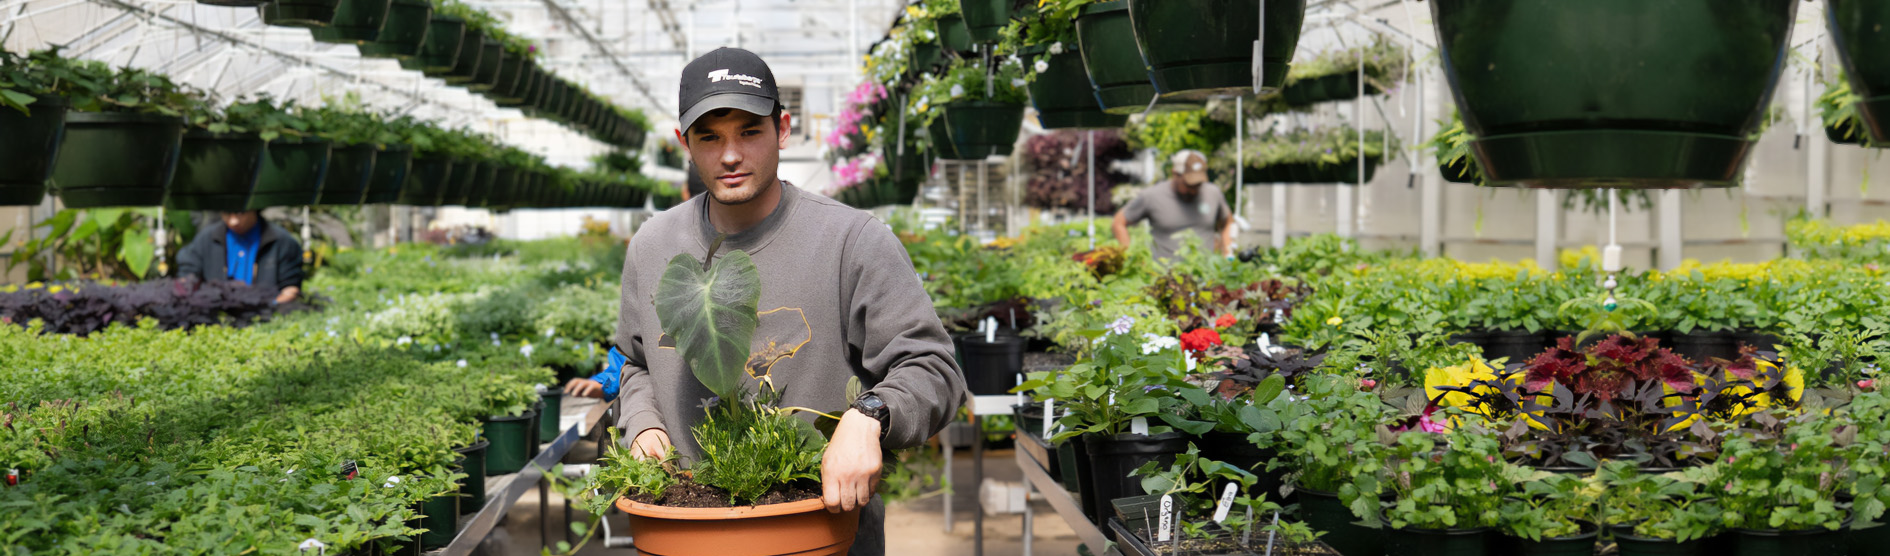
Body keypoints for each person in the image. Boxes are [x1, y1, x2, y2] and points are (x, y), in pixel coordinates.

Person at [610, 47, 966, 555]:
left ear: (783, 129)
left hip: (822, 532)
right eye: (709, 137)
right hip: (691, 532)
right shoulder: (653, 246)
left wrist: (871, 414)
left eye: (749, 131)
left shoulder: (852, 240)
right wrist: (642, 424)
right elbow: (635, 363)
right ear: (683, 144)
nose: (730, 155)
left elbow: (933, 367)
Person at [1112, 149, 1236, 263]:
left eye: (1198, 185)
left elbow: (1228, 222)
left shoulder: (1213, 193)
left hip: (1208, 278)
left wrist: (1227, 252)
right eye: (1189, 185)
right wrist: (1129, 258)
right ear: (1175, 173)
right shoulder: (1152, 196)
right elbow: (1119, 222)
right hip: (1166, 280)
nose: (1194, 190)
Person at [176, 210, 304, 303]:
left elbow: (290, 288)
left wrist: (269, 307)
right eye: (227, 213)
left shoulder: (281, 241)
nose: (233, 221)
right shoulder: (206, 238)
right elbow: (188, 275)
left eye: (240, 213)